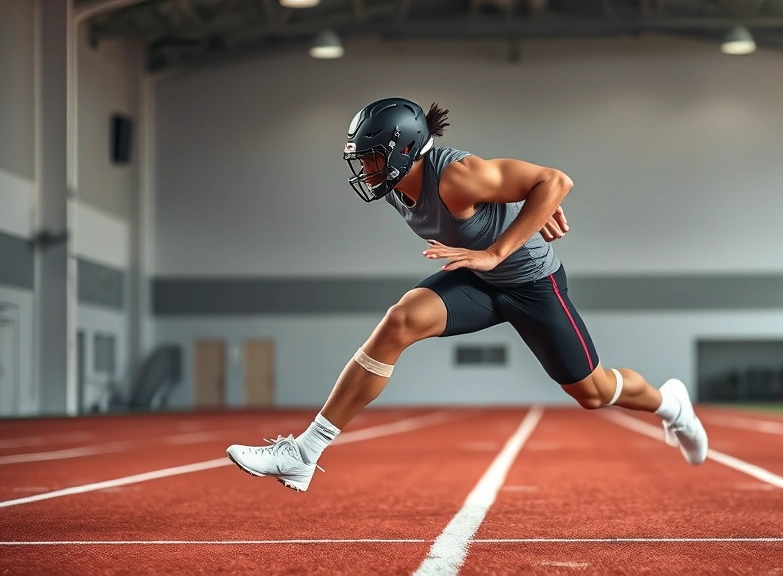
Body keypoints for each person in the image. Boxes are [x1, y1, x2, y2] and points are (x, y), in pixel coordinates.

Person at [225, 97, 708, 492]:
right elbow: (529, 196)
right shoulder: (394, 186)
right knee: (400, 321)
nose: (365, 168)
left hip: (530, 284)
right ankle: (304, 452)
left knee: (594, 392)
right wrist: (527, 214)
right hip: (477, 281)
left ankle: (671, 405)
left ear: (403, 150)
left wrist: (501, 248)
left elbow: (555, 181)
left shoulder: (456, 175)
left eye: (371, 157)